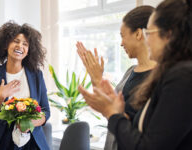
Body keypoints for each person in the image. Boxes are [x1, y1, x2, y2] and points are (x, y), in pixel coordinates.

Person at [79, 0, 192, 149]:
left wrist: (113, 114)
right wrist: (117, 112)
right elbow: (140, 129)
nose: (147, 40)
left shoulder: (181, 77)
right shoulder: (169, 74)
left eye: (149, 33)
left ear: (168, 35)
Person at [76, 6, 157, 150]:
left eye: (123, 36)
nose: (121, 43)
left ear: (138, 34)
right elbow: (111, 113)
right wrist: (96, 78)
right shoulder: (130, 72)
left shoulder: (162, 78)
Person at [0, 21, 51, 150]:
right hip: (0, 142)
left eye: (25, 44)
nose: (20, 46)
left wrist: (31, 122)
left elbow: (46, 111)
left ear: (29, 51)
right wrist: (0, 97)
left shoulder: (36, 75)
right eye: (16, 41)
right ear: (6, 45)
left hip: (31, 141)